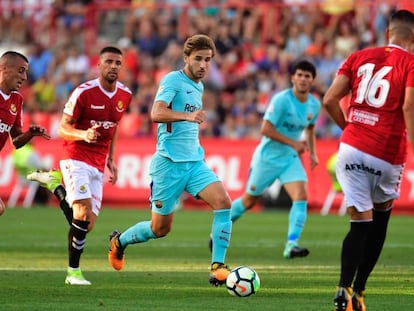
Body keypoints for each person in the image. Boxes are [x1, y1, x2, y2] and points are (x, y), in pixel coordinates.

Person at [107, 34, 233, 287]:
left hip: (195, 162)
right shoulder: (173, 80)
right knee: (160, 229)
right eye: (198, 59)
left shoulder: (199, 86)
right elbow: (156, 113)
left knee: (223, 202)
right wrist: (187, 117)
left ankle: (217, 267)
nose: (203, 65)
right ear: (186, 58)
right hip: (168, 165)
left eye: (208, 60)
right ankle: (119, 241)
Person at [323, 9, 414, 311]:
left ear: (388, 32)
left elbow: (329, 99)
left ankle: (342, 289)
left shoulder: (359, 55)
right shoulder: (411, 63)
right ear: (412, 37)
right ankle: (359, 292)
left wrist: (350, 128)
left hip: (350, 149)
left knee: (358, 223)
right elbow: (409, 106)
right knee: (380, 221)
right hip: (386, 153)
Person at [27, 46, 132, 285]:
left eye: (118, 63)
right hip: (75, 156)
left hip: (98, 161)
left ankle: (55, 186)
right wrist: (84, 135)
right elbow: (62, 128)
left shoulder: (125, 94)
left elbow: (113, 126)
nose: (114, 66)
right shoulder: (83, 92)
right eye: (109, 62)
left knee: (86, 225)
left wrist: (111, 158)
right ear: (99, 64)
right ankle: (73, 272)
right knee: (82, 214)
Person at [225, 60, 320, 259]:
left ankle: (291, 244)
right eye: (299, 75)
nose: (303, 79)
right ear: (293, 77)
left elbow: (310, 128)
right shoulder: (281, 100)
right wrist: (293, 143)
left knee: (301, 196)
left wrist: (312, 152)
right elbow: (265, 129)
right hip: (267, 158)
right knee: (250, 201)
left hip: (289, 160)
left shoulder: (314, 104)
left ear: (312, 80)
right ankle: (220, 227)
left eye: (307, 76)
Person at [0, 51, 50, 216]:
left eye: (26, 72)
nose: (25, 77)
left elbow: (16, 141)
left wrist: (30, 133)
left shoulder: (17, 100)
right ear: (4, 69)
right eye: (20, 70)